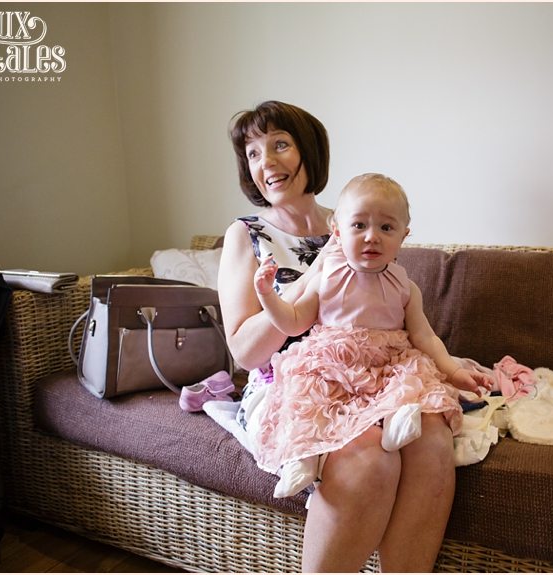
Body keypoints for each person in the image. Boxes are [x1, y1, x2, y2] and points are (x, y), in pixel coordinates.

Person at [218, 101, 466, 572]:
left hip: (374, 372)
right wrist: (313, 276)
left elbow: (395, 308)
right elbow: (244, 352)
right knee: (369, 458)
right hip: (291, 384)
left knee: (432, 438)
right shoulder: (246, 234)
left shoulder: (358, 217)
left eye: (279, 145)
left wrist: (445, 365)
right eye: (252, 153)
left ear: (309, 151)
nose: (266, 162)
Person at [252, 173, 492, 498]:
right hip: (332, 364)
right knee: (306, 396)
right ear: (337, 231)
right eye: (359, 225)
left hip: (386, 364)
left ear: (404, 236)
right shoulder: (326, 277)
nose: (372, 237)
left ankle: (398, 421)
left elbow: (425, 337)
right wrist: (268, 296)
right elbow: (293, 323)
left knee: (412, 379)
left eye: (386, 228)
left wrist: (454, 370)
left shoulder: (405, 287)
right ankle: (302, 457)